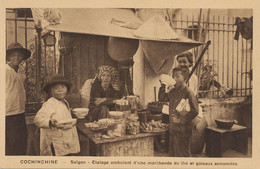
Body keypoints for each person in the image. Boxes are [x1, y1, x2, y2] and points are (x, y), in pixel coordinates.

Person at [34, 74, 80, 156]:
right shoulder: (50, 103)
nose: (60, 90)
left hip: (65, 139)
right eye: (56, 88)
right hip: (55, 141)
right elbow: (37, 119)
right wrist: (50, 121)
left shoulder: (65, 102)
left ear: (67, 89)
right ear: (51, 91)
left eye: (63, 87)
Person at [159, 66, 198, 157]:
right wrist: (163, 86)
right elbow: (162, 98)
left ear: (185, 78)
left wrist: (182, 120)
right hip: (173, 129)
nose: (174, 79)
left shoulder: (188, 92)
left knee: (183, 154)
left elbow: (195, 110)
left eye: (177, 76)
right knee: (173, 154)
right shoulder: (173, 91)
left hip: (183, 130)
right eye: (173, 76)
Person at [6, 42, 31, 155]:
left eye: (19, 55)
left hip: (19, 112)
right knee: (10, 146)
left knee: (21, 143)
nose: (16, 58)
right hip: (7, 113)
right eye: (13, 55)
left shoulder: (20, 71)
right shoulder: (5, 71)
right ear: (8, 57)